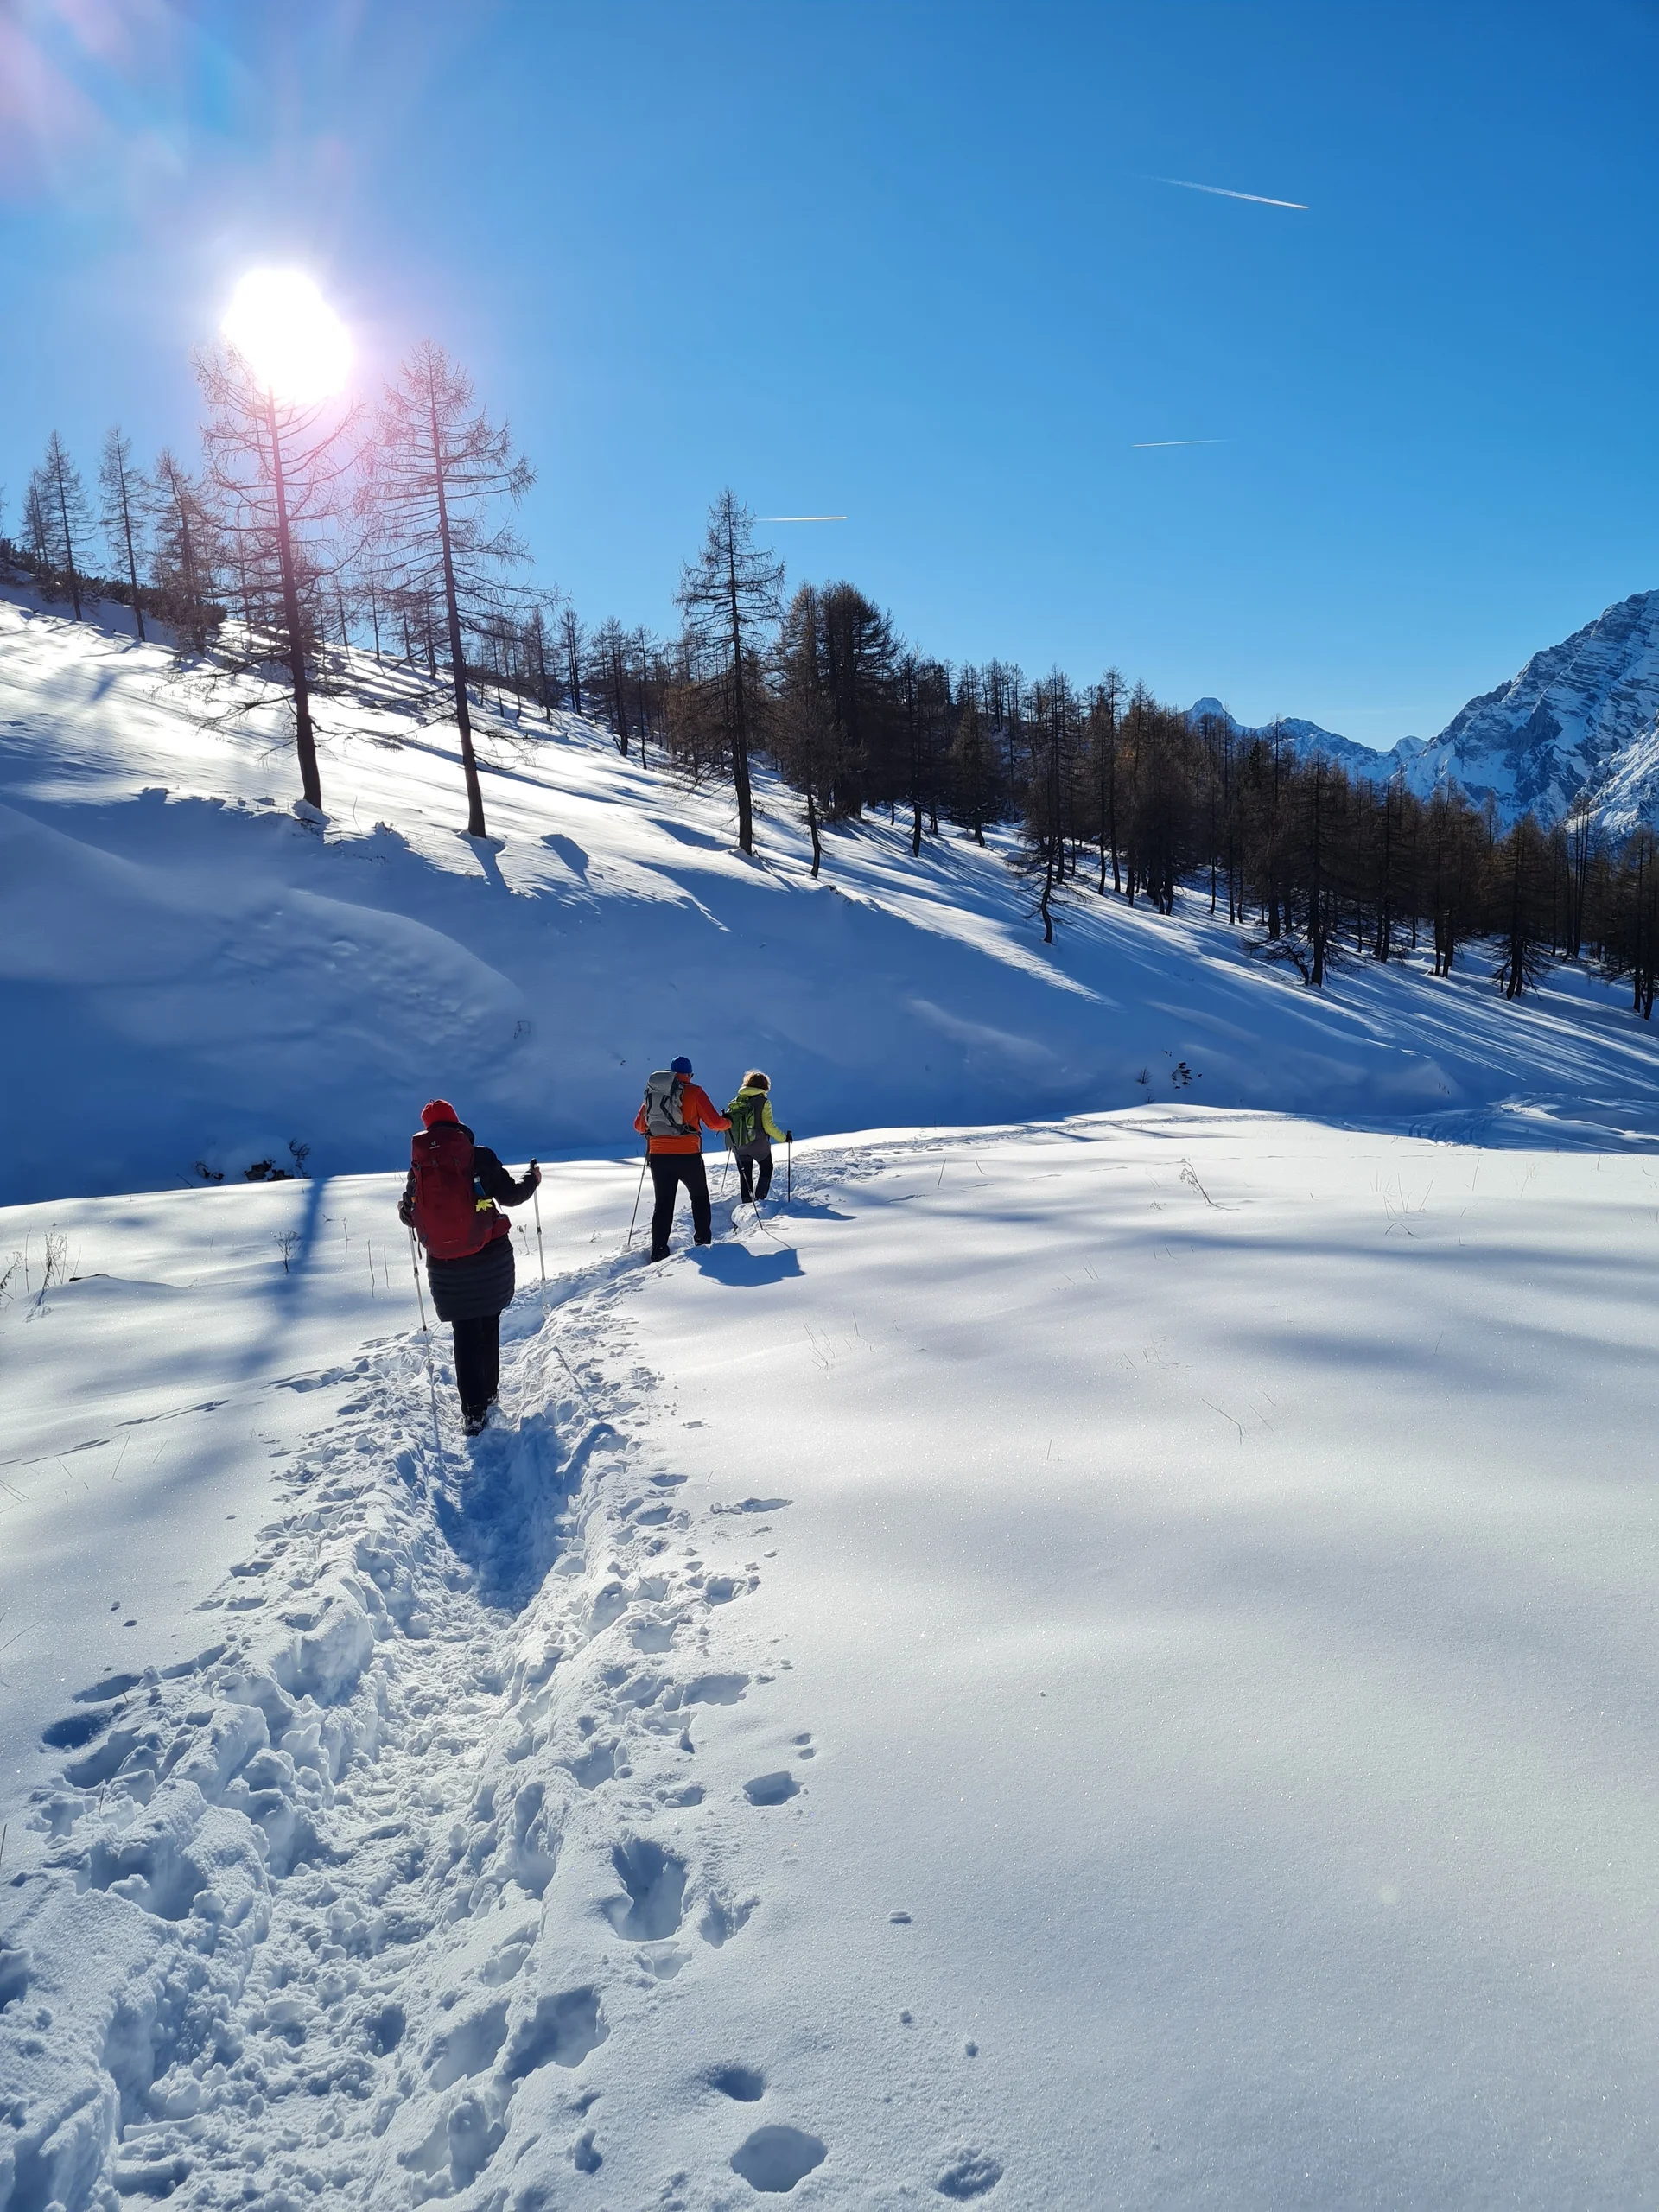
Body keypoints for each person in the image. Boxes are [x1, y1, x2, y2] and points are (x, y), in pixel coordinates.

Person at [398, 1098, 540, 1435]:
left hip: (445, 1266)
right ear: (456, 1122)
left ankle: (472, 1412)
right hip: (488, 1255)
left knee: (463, 1332)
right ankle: (489, 1395)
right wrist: (532, 1180)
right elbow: (511, 1196)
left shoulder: (418, 1166)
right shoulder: (479, 1156)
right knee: (488, 1323)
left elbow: (409, 1213)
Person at [633, 1055, 730, 1262]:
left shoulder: (655, 1093)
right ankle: (702, 1241)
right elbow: (714, 1123)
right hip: (688, 1156)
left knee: (663, 1204)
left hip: (659, 1157)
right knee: (699, 1198)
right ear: (688, 1074)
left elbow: (639, 1125)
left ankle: (659, 1249)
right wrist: (728, 1123)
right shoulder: (695, 1092)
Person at [725, 1070, 791, 1205]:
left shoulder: (737, 1101)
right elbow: (769, 1126)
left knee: (745, 1176)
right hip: (759, 1145)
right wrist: (784, 1138)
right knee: (767, 1168)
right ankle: (760, 1199)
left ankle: (746, 1204)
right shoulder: (763, 1102)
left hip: (739, 1146)